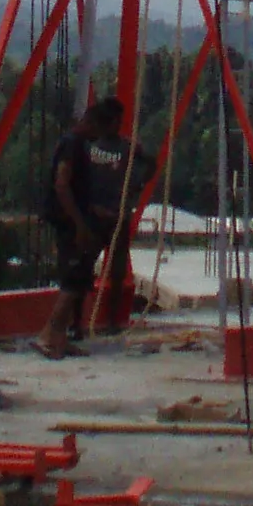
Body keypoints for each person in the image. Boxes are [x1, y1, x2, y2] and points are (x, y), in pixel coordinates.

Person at [37, 92, 150, 357]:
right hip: (71, 222)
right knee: (73, 280)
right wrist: (80, 224)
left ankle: (60, 338)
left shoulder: (76, 144)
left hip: (77, 218)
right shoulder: (74, 144)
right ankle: (49, 336)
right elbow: (62, 185)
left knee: (79, 278)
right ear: (96, 123)